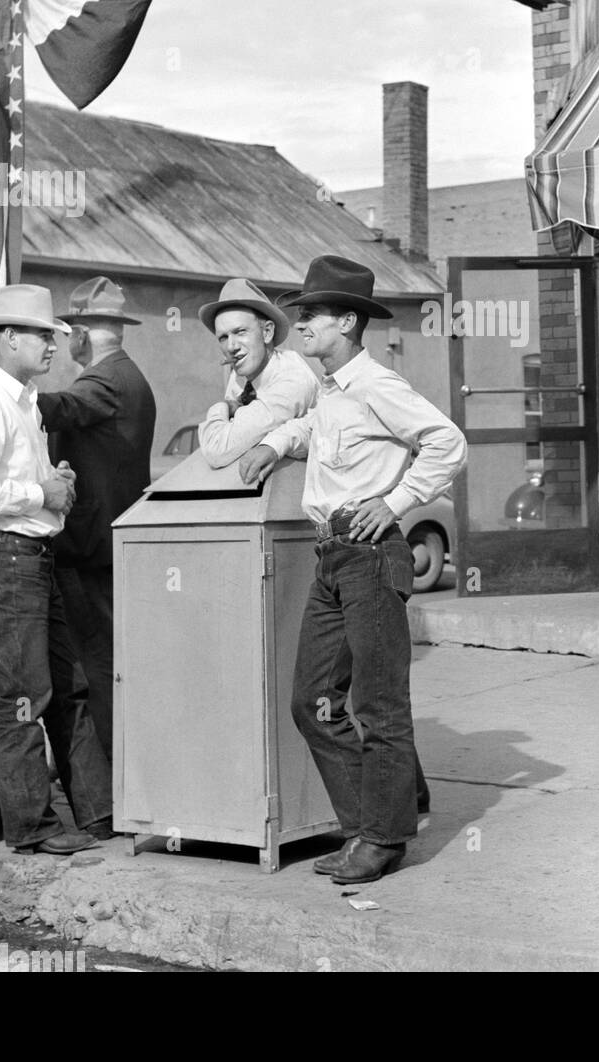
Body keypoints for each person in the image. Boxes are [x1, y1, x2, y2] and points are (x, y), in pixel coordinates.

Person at [238, 256, 466, 885]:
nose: (299, 322)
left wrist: (394, 502)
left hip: (371, 555)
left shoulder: (376, 385)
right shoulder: (336, 390)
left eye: (309, 314)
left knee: (378, 704)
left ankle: (383, 838)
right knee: (311, 702)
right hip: (332, 556)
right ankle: (375, 819)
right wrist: (273, 442)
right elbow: (316, 426)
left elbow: (448, 442)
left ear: (346, 320)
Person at [0, 284, 113, 855]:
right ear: (9, 338)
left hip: (32, 558)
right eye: (44, 335)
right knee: (22, 698)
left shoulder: (24, 403)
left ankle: (98, 813)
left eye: (54, 335)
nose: (53, 345)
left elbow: (30, 489)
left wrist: (56, 488)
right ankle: (32, 827)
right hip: (3, 557)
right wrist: (40, 490)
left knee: (69, 686)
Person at [36, 276, 156, 761]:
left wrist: (9, 393)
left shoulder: (105, 380)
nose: (65, 342)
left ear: (82, 335)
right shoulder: (127, 376)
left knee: (98, 665)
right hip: (109, 544)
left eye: (67, 333)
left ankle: (111, 778)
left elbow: (63, 408)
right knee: (107, 661)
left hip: (91, 550)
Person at [195, 278, 318, 469]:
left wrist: (222, 406)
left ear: (267, 332)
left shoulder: (292, 380)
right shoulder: (240, 377)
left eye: (241, 332)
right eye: (223, 337)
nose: (231, 346)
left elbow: (217, 450)